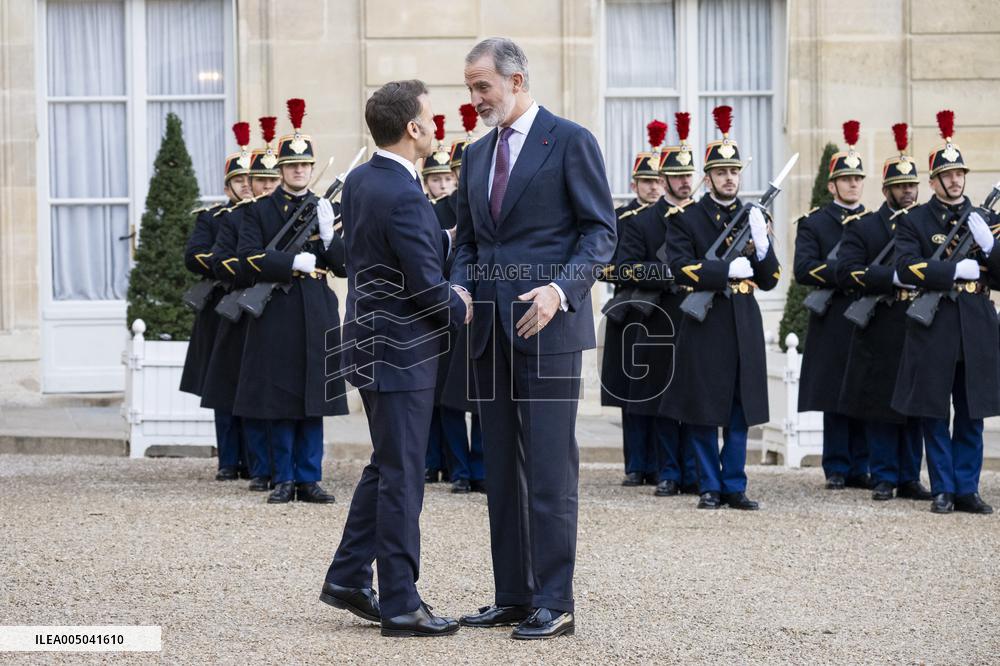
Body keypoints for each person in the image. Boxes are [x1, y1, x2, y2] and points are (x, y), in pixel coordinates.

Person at [452, 37, 616, 640]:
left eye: (482, 86)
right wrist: (460, 289)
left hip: (549, 329)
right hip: (488, 333)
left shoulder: (570, 140)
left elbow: (600, 233)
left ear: (516, 80)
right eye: (470, 88)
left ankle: (555, 600)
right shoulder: (475, 155)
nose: (475, 99)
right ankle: (514, 596)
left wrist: (560, 291)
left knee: (549, 469)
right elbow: (468, 243)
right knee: (499, 469)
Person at [321, 79, 471, 637]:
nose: (436, 125)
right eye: (430, 117)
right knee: (404, 477)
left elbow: (388, 248)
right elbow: (425, 286)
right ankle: (402, 603)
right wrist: (460, 305)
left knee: (387, 466)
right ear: (412, 127)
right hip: (400, 350)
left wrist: (443, 236)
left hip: (369, 341)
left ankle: (347, 577)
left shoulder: (365, 178)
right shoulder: (404, 191)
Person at [659, 105, 781, 511]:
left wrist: (762, 248)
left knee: (739, 412)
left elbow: (771, 279)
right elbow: (678, 267)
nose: (729, 178)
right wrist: (723, 270)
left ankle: (734, 485)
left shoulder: (753, 216)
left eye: (734, 171)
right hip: (706, 322)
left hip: (743, 320)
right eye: (721, 171)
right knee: (703, 410)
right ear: (707, 177)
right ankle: (709, 485)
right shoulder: (688, 219)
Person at [233, 98, 348, 504]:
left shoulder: (325, 208)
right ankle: (283, 477)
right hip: (278, 309)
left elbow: (343, 267)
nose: (299, 171)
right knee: (280, 397)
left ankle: (309, 477)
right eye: (292, 165)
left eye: (305, 165)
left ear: (312, 169)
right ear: (280, 169)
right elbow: (246, 259)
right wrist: (288, 262)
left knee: (314, 397)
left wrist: (330, 237)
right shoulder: (259, 210)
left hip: (315, 309)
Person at [891, 110, 998, 515]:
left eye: (959, 174)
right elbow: (905, 268)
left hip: (975, 322)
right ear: (933, 181)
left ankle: (967, 488)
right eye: (946, 175)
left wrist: (991, 248)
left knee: (971, 412)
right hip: (935, 323)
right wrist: (953, 270)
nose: (955, 181)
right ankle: (943, 488)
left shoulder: (987, 220)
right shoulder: (915, 220)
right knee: (934, 410)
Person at [835, 123, 932, 503]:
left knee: (915, 402)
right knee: (880, 404)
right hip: (881, 322)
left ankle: (909, 477)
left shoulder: (926, 224)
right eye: (900, 186)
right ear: (886, 189)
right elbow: (846, 272)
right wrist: (889, 277)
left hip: (919, 321)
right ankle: (884, 475)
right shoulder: (864, 227)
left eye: (912, 185)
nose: (908, 191)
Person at [617, 112, 699, 497]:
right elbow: (626, 268)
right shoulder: (641, 222)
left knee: (696, 398)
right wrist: (670, 274)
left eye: (688, 175)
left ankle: (695, 470)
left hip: (698, 317)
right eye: (676, 176)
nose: (684, 182)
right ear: (664, 180)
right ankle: (668, 471)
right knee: (662, 397)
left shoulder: (704, 218)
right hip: (659, 317)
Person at [200, 116, 280, 492]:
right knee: (235, 386)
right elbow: (220, 261)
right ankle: (241, 461)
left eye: (265, 180)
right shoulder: (231, 218)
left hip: (275, 307)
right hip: (238, 304)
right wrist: (257, 268)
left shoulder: (277, 213)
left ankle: (271, 463)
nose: (253, 186)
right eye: (249, 180)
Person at [794, 121, 871, 491]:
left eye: (857, 179)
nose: (853, 184)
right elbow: (804, 268)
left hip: (867, 314)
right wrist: (847, 273)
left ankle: (862, 465)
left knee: (863, 389)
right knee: (834, 391)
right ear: (832, 186)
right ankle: (837, 466)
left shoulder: (874, 222)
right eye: (846, 179)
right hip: (834, 314)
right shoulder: (816, 223)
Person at [181, 122, 252, 481]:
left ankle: (254, 460)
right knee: (223, 385)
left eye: (249, 179)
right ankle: (228, 459)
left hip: (252, 306)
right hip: (221, 307)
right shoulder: (213, 218)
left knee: (251, 383)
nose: (245, 185)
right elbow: (194, 255)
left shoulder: (261, 216)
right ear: (227, 187)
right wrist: (227, 263)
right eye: (238, 181)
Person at [600, 120, 667, 487]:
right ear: (634, 185)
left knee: (662, 389)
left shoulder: (674, 218)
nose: (653, 187)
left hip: (663, 310)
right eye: (646, 182)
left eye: (657, 181)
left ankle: (661, 464)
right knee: (633, 391)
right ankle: (637, 464)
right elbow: (605, 266)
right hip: (630, 311)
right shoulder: (620, 219)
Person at [422, 113, 457, 484]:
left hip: (463, 302)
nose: (443, 183)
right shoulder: (426, 211)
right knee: (435, 394)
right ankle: (435, 460)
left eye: (448, 177)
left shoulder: (465, 206)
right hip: (435, 304)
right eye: (436, 178)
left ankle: (465, 467)